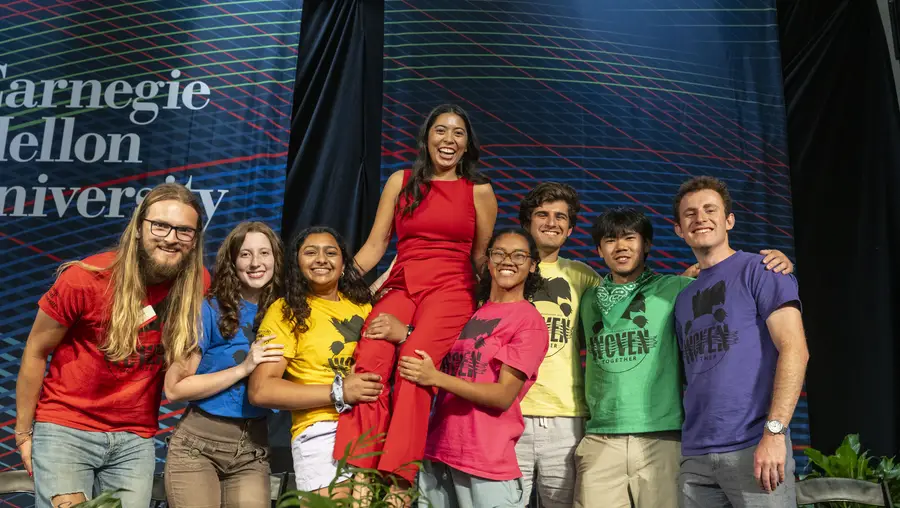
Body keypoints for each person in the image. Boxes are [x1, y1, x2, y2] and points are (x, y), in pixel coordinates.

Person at [575, 206, 793, 508]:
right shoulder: (587, 298)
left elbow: (719, 281)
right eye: (610, 240)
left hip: (662, 439)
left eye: (629, 238)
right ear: (599, 250)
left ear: (647, 244)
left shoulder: (676, 289)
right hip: (601, 438)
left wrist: (775, 263)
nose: (621, 246)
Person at [15, 183, 210, 508]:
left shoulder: (198, 285)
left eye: (184, 231)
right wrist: (23, 433)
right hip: (66, 428)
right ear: (138, 228)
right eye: (160, 225)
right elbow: (36, 351)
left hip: (135, 438)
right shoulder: (85, 279)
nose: (171, 238)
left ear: (194, 240)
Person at [334, 104, 498, 487]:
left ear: (467, 144)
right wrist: (332, 291)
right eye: (441, 130)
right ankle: (358, 464)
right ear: (427, 137)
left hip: (452, 288)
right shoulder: (402, 180)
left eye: (458, 133)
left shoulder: (480, 191)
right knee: (372, 351)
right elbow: (375, 247)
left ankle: (397, 477)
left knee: (414, 362)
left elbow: (480, 258)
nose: (449, 139)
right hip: (404, 283)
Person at [671, 177, 808, 508]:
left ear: (729, 220)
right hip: (695, 454)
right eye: (689, 214)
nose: (700, 218)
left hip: (755, 445)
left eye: (709, 209)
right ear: (679, 229)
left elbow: (796, 350)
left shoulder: (762, 270)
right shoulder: (681, 294)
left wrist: (774, 433)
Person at [391, 228, 549, 508]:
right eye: (499, 253)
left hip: (485, 461)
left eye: (519, 255)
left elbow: (502, 396)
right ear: (488, 260)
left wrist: (436, 378)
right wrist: (406, 333)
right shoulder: (470, 311)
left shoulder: (529, 321)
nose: (507, 261)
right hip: (438, 452)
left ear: (532, 265)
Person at [248, 226, 401, 497]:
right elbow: (261, 390)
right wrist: (339, 390)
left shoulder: (363, 305)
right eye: (310, 252)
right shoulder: (285, 311)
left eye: (331, 252)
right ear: (297, 262)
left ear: (344, 264)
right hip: (321, 431)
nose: (321, 259)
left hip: (373, 425)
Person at [163, 222, 285, 507]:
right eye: (245, 254)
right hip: (198, 446)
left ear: (276, 259)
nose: (256, 263)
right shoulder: (210, 309)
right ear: (232, 261)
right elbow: (175, 388)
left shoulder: (286, 312)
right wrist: (243, 369)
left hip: (252, 450)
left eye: (264, 253)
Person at [513, 183, 600, 507]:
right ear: (526, 222)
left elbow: (628, 301)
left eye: (560, 216)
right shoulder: (503, 269)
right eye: (542, 214)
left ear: (570, 228)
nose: (552, 222)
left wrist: (690, 276)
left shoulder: (583, 276)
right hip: (509, 413)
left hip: (566, 420)